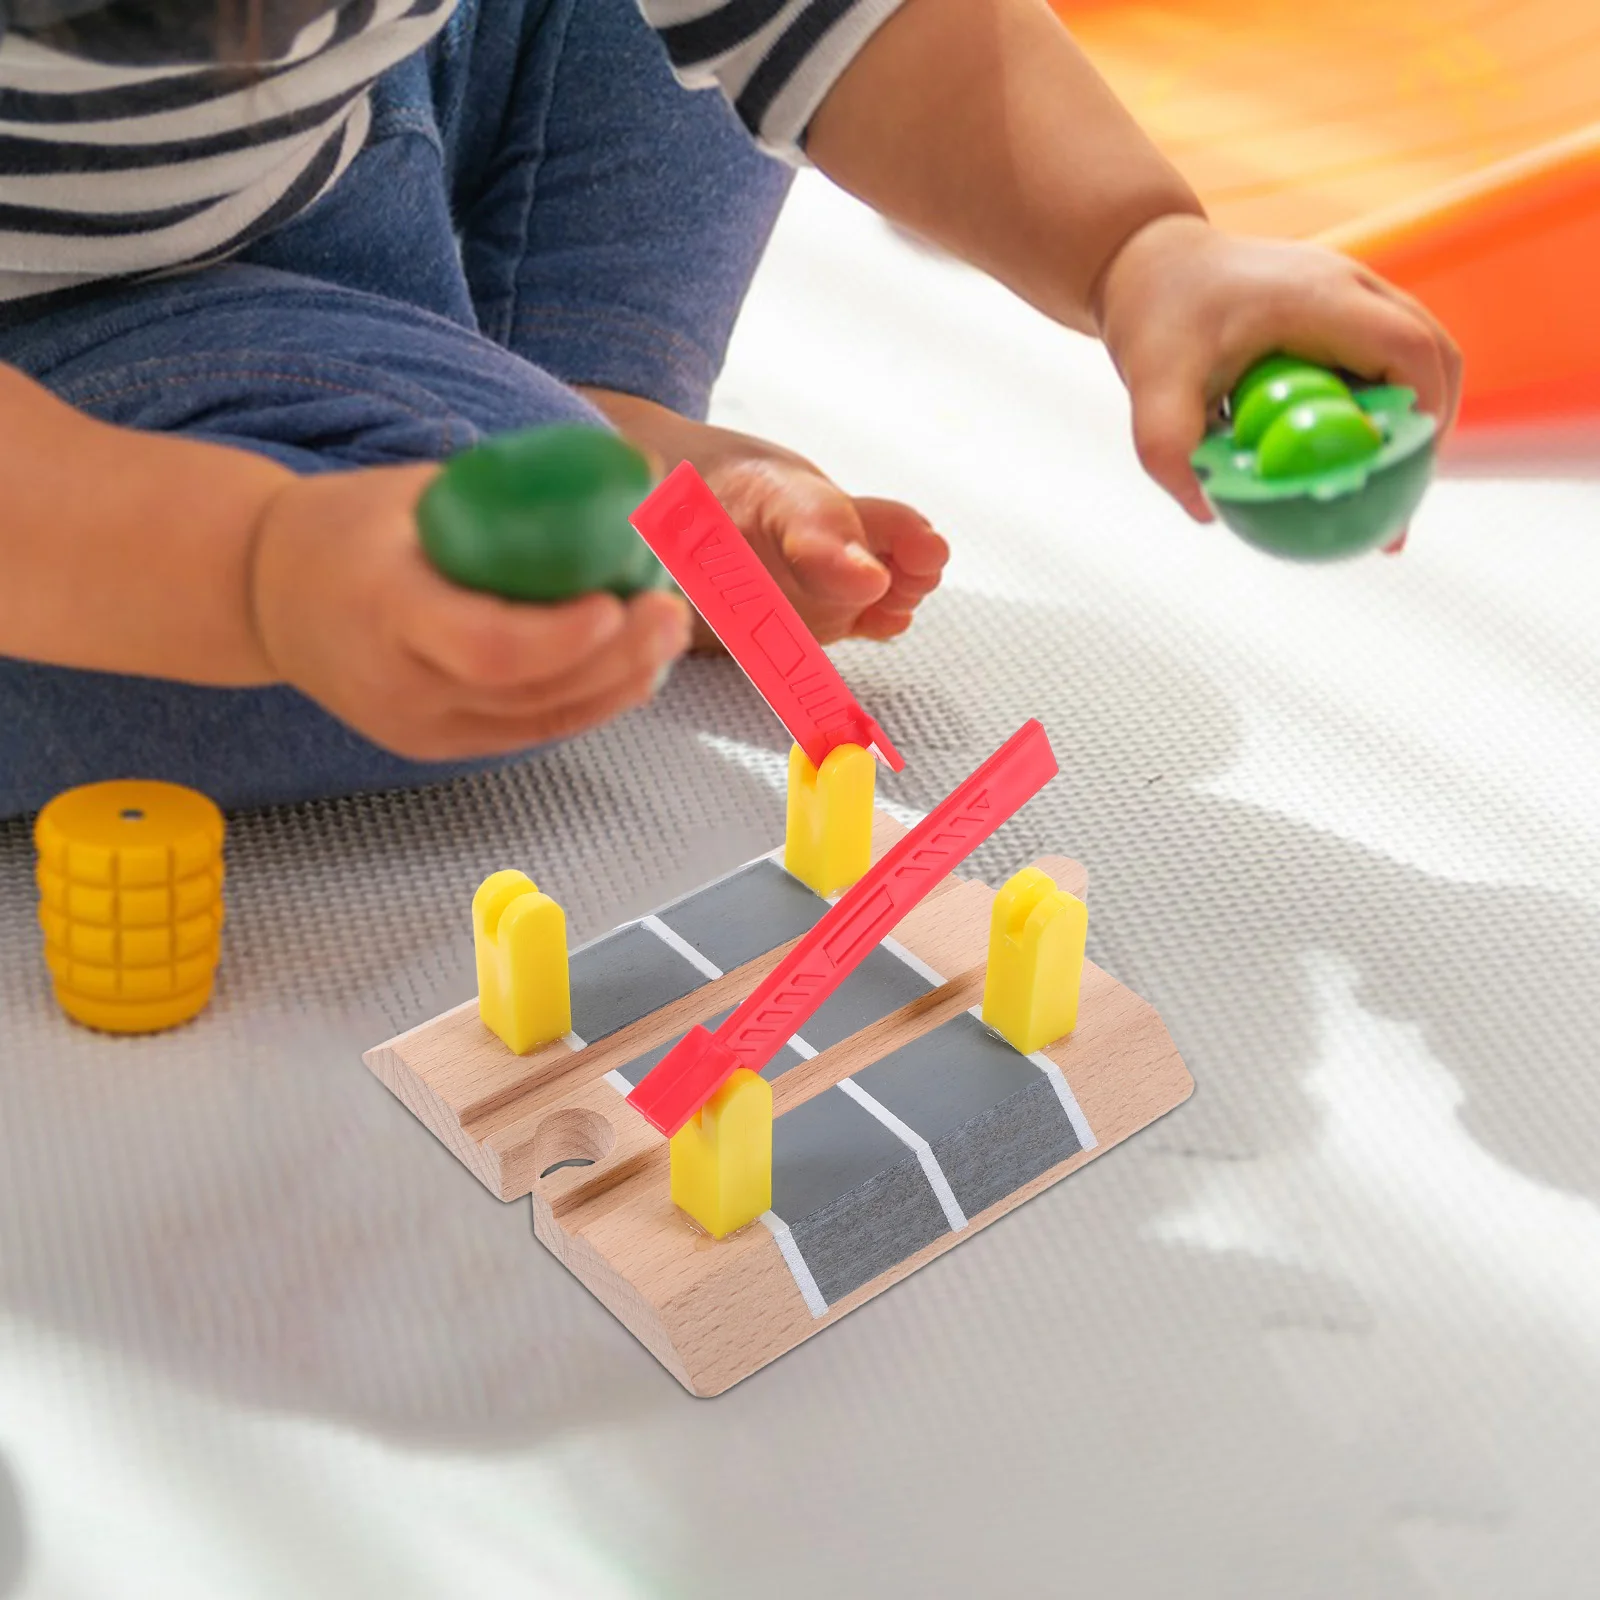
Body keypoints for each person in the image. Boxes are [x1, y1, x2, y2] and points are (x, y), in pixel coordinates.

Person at [0, 0, 1461, 818]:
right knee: (482, 600)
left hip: (345, 142)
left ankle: (599, 399)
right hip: (66, 393)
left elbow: (861, 27)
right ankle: (512, 462)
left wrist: (1143, 253)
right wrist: (252, 571)